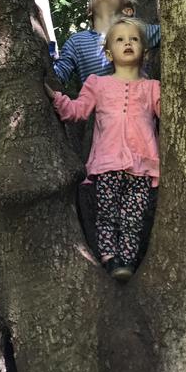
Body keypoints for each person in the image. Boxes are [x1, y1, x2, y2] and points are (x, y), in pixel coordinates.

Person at [45, 17, 160, 282]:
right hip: (107, 162)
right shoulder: (97, 83)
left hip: (142, 165)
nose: (128, 43)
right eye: (120, 39)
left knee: (133, 217)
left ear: (143, 49)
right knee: (107, 213)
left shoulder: (153, 88)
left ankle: (126, 263)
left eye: (134, 39)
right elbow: (77, 111)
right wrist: (57, 99)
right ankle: (110, 258)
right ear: (108, 53)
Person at [52, 0, 160, 86]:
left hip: (137, 100)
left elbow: (171, 31)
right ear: (89, 10)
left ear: (127, 11)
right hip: (99, 103)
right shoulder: (76, 42)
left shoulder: (137, 31)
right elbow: (58, 75)